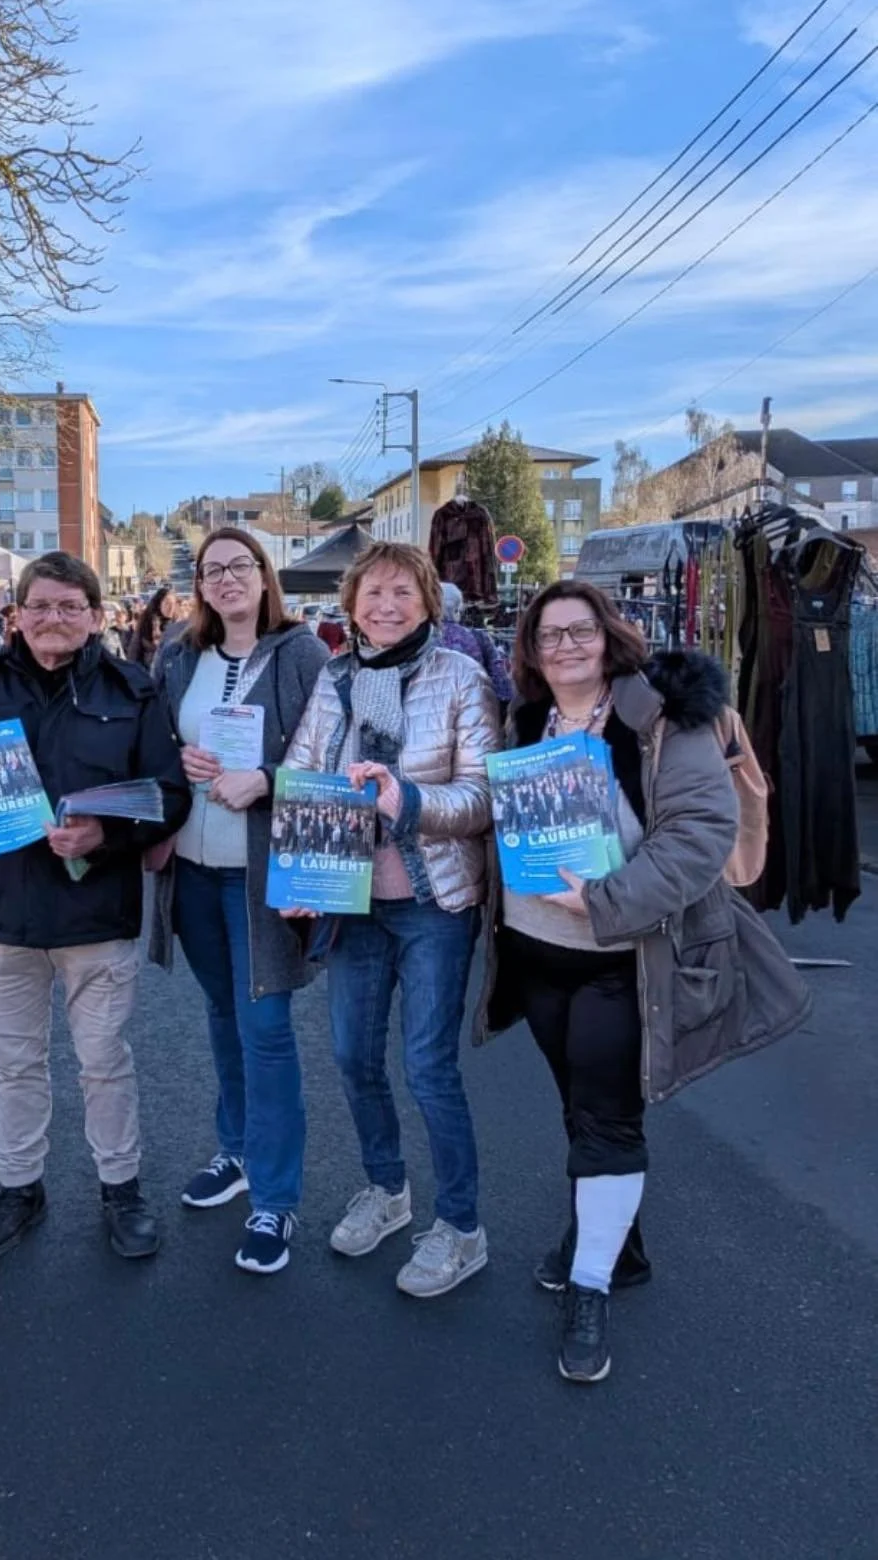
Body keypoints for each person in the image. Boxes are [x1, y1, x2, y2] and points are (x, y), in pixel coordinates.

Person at [473, 580, 810, 1384]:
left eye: (579, 631)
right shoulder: (523, 721)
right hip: (537, 951)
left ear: (609, 635)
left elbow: (700, 836)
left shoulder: (664, 718)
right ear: (530, 649)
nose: (565, 647)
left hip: (623, 958)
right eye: (548, 635)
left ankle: (590, 1284)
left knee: (608, 1120)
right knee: (580, 1107)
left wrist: (605, 900)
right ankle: (614, 1245)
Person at [0, 552, 191, 1263]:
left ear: (97, 618)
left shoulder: (134, 691)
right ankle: (19, 1189)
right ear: (17, 614)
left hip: (95, 909)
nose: (54, 619)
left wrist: (105, 835)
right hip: (3, 911)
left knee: (104, 1062)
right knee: (14, 1065)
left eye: (71, 607)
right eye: (40, 606)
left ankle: (120, 1189)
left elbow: (169, 797)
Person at [283, 541, 502, 1298]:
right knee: (351, 1056)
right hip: (352, 901)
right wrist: (300, 868)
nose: (385, 605)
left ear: (428, 604)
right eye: (371, 592)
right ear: (349, 606)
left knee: (429, 1069)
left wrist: (406, 800)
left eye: (402, 592)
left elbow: (482, 797)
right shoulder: (335, 677)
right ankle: (386, 1188)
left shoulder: (462, 677)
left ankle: (461, 1226)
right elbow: (305, 776)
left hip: (434, 899)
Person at [150, 527, 328, 1275]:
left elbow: (335, 756)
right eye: (211, 569)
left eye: (239, 566)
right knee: (223, 1016)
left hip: (261, 874)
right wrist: (176, 756)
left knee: (267, 1028)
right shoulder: (177, 656)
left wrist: (269, 780)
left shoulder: (302, 653)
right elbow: (152, 743)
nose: (225, 579)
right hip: (192, 868)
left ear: (264, 576)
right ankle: (238, 1150)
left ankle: (276, 1198)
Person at [438, 581, 513, 704]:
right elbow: (501, 683)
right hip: (476, 705)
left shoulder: (419, 640)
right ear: (458, 608)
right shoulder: (479, 637)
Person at [128, 584, 177, 669]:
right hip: (147, 673)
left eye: (173, 603)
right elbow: (134, 652)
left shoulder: (177, 625)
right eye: (167, 603)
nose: (171, 607)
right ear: (159, 604)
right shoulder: (146, 622)